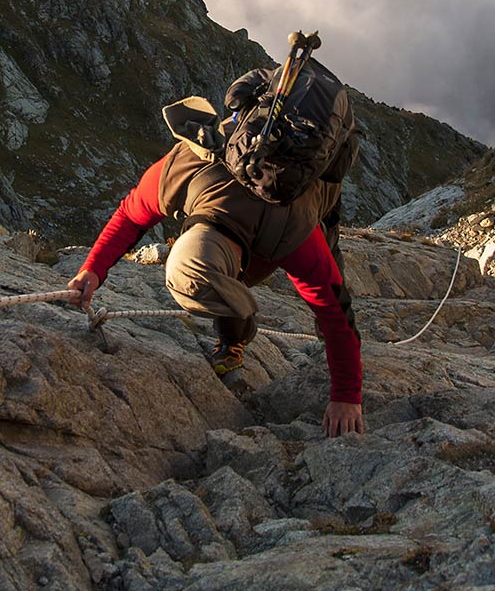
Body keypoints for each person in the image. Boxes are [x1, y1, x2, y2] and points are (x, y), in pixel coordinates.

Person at [68, 73, 364, 438]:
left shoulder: (292, 232)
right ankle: (234, 334)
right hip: (255, 153)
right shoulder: (184, 170)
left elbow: (336, 309)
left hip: (312, 174)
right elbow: (130, 216)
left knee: (329, 250)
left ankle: (234, 331)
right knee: (218, 284)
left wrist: (347, 396)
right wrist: (91, 271)